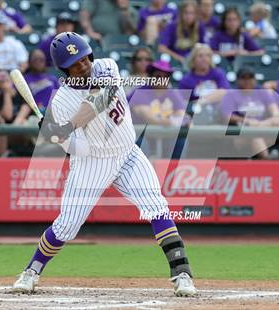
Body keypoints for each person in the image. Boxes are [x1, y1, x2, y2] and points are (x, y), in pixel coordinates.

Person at [12, 32, 197, 297]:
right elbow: (76, 148)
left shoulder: (107, 67)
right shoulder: (62, 102)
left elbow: (98, 100)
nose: (83, 65)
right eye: (75, 63)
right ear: (64, 69)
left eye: (85, 58)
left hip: (127, 153)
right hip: (91, 162)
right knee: (67, 226)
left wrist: (64, 127)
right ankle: (31, 271)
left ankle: (182, 274)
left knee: (156, 206)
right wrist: (56, 135)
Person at [129, 60, 190, 158]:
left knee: (180, 141)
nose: (162, 79)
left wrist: (179, 120)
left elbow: (184, 117)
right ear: (151, 77)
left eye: (166, 76)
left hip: (165, 134)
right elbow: (151, 119)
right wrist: (175, 121)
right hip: (140, 135)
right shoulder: (140, 92)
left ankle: (173, 172)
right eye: (158, 76)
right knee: (141, 142)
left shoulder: (172, 93)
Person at [219, 67, 279, 159]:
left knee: (276, 122)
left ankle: (267, 161)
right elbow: (227, 116)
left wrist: (263, 124)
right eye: (244, 78)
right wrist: (248, 121)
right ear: (237, 80)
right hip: (240, 133)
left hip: (263, 129)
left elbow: (275, 112)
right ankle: (267, 161)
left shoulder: (262, 92)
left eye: (250, 78)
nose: (247, 81)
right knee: (255, 135)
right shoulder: (231, 94)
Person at [14, 49, 59, 125]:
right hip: (32, 115)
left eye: (41, 59)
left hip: (52, 114)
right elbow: (14, 94)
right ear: (29, 61)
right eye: (35, 59)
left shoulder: (52, 79)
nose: (38, 62)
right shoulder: (23, 79)